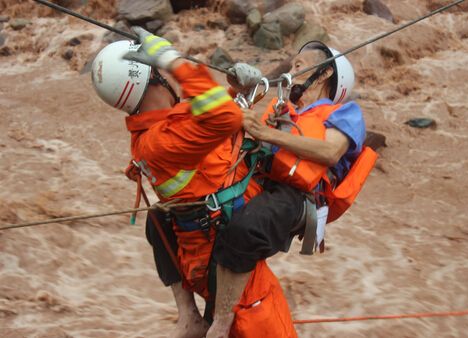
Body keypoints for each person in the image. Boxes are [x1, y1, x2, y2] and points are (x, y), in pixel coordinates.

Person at [91, 27, 298, 338]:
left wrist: (239, 93)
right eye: (162, 72)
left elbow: (210, 133)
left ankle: (191, 319)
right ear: (155, 79)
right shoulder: (161, 139)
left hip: (213, 256)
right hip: (230, 264)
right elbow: (224, 120)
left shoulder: (162, 128)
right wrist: (173, 60)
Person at [207, 41, 377, 337]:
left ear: (323, 74)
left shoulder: (346, 113)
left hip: (297, 197)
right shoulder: (284, 110)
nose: (292, 69)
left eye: (300, 65)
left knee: (247, 229)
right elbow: (253, 147)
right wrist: (245, 104)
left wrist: (269, 132)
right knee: (198, 213)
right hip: (260, 181)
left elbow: (330, 152)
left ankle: (219, 327)